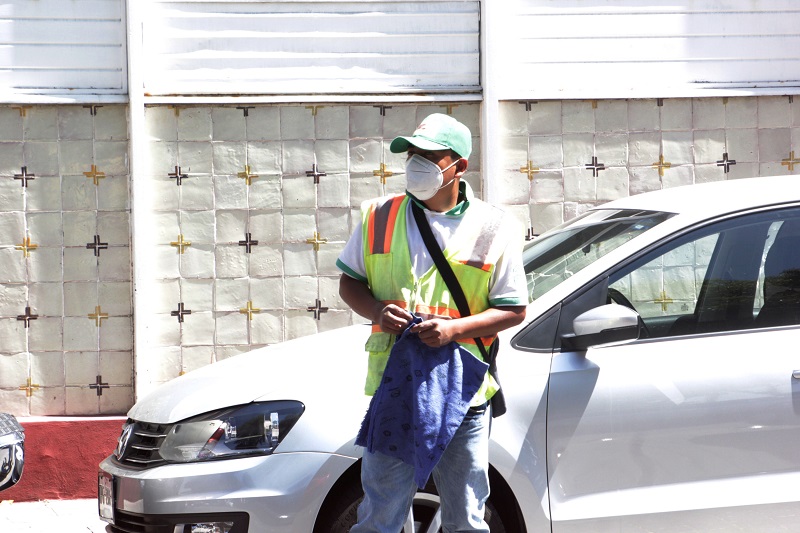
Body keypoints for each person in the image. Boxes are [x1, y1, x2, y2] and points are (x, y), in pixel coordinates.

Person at [336, 113, 527, 532]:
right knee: (380, 513)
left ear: (459, 166)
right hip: (397, 383)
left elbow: (514, 309)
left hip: (464, 390)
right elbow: (349, 283)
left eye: (429, 156)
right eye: (412, 155)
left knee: (465, 516)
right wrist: (376, 312)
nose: (416, 164)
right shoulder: (379, 215)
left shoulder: (495, 227)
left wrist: (454, 330)